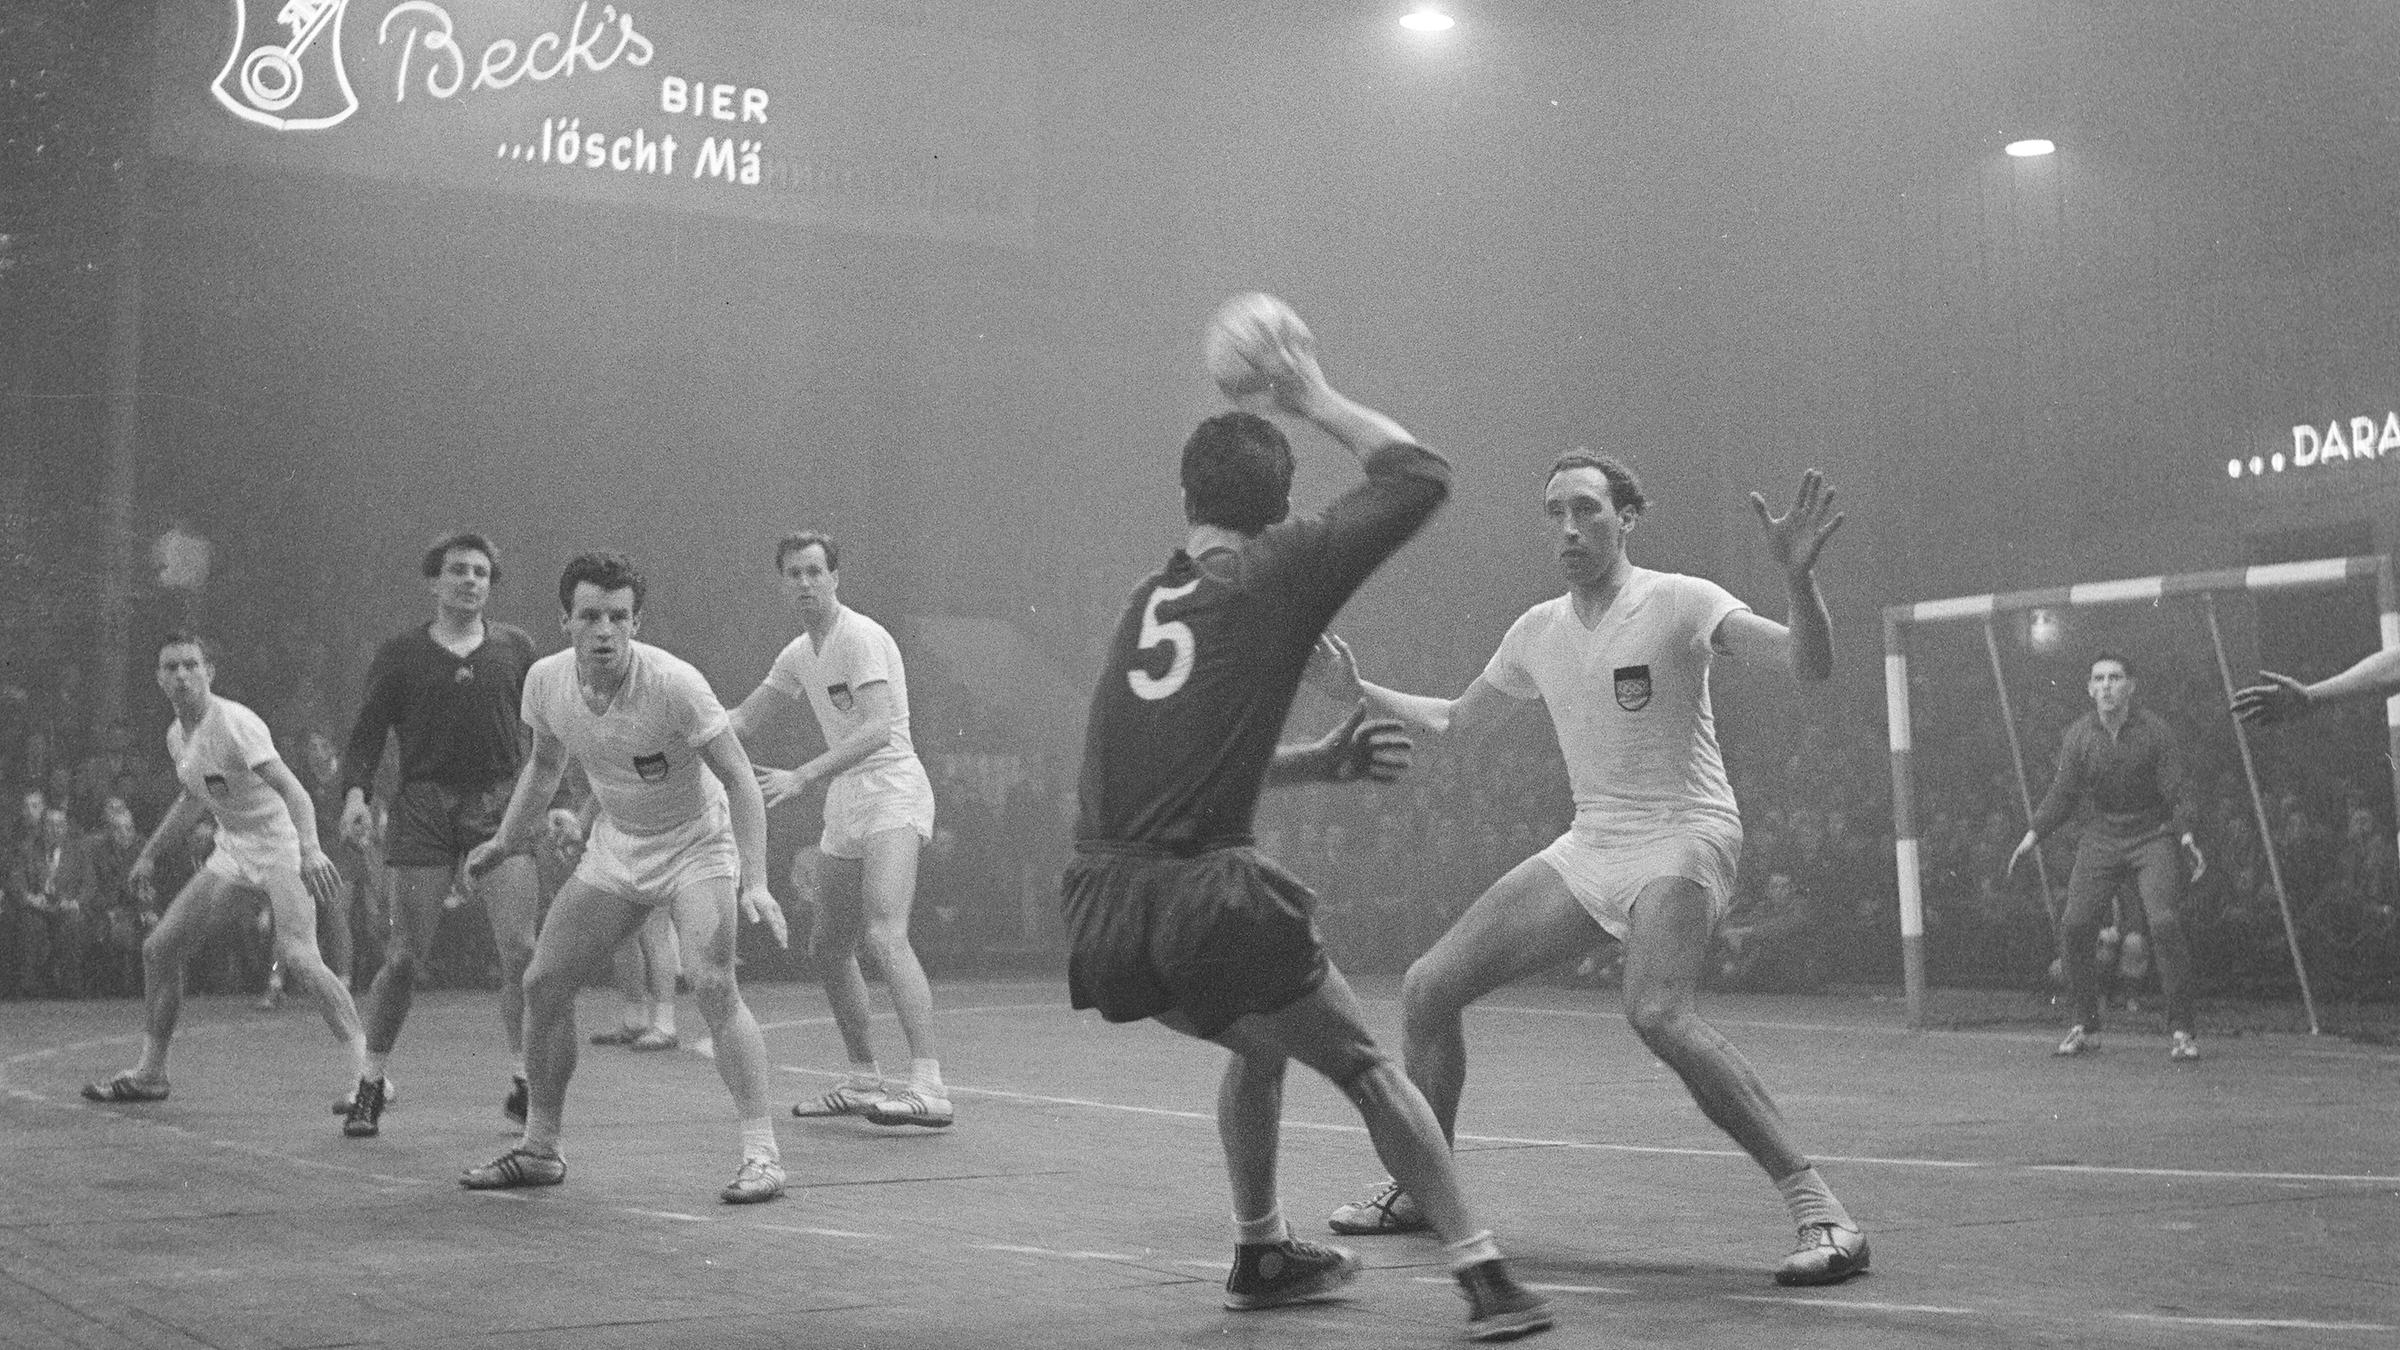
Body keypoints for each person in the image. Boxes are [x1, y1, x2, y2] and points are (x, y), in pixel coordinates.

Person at [1064, 321, 1551, 1340]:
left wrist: (1312, 764)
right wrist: (1313, 394)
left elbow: (1143, 778)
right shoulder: (1276, 571)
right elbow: (1416, 475)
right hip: (1204, 896)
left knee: (1261, 1045)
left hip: (1106, 908)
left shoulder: (1144, 604)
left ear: (1186, 501)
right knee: (1366, 1064)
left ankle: (1260, 1251)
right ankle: (1484, 1276)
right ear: (1278, 509)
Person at [1310, 454, 1870, 1288]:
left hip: (1686, 831)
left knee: (1656, 1012)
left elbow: (1806, 663)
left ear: (1627, 517)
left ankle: (1823, 1210)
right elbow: (1458, 722)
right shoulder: (1537, 631)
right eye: (1554, 513)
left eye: (1586, 509)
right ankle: (1424, 1189)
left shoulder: (1683, 600)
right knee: (1428, 988)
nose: (1568, 529)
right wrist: (1358, 690)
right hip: (1594, 841)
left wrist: (1799, 581)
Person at [456, 552, 792, 1203]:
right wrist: (504, 841)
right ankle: (540, 1149)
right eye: (590, 616)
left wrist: (754, 880)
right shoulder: (545, 682)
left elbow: (740, 778)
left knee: (714, 983)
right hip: (617, 846)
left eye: (618, 617)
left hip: (698, 845)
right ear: (566, 621)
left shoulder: (676, 683)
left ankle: (763, 1156)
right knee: (543, 982)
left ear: (637, 622)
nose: (604, 630)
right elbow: (545, 766)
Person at [79, 634, 373, 1110]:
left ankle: (370, 1079)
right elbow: (194, 796)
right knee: (160, 948)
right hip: (234, 850)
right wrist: (149, 853)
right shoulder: (177, 735)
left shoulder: (236, 724)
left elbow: (295, 792)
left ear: (209, 672)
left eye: (191, 665)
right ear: (159, 678)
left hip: (282, 846)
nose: (181, 675)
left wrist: (312, 851)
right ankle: (151, 1074)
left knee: (299, 958)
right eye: (170, 667)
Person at [730, 533, 951, 1127]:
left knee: (884, 935)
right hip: (847, 799)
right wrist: (679, 721)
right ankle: (861, 1078)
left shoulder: (861, 636)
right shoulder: (797, 653)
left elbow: (879, 728)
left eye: (814, 571)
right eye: (793, 574)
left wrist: (801, 776)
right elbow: (744, 720)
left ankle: (928, 1086)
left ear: (835, 577)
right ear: (783, 583)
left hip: (893, 788)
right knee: (829, 946)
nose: (804, 582)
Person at [337, 532, 542, 1136]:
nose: (470, 580)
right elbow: (367, 735)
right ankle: (370, 1083)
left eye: (481, 572)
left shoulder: (517, 650)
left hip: (499, 805)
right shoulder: (402, 653)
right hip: (423, 806)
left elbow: (550, 735)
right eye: (458, 571)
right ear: (434, 582)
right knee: (404, 958)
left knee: (522, 954)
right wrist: (355, 795)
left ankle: (526, 1083)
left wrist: (560, 805)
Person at [2007, 653, 2205, 1061]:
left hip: (2152, 834)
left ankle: (2183, 1030)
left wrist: (2185, 835)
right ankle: (2084, 1025)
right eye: (2099, 679)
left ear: (2131, 685)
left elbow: (2178, 790)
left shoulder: (2155, 732)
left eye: (2116, 678)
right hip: (2102, 835)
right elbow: (2063, 793)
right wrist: (2033, 834)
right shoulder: (2079, 735)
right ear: (2089, 688)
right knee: (2075, 926)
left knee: (2164, 922)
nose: (2107, 686)